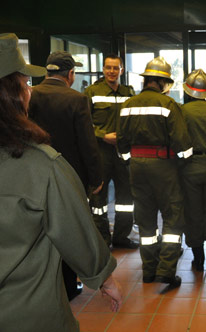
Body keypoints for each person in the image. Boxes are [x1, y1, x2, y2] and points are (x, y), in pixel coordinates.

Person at [0, 32, 122, 332]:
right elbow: (74, 230)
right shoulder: (39, 165)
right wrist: (104, 276)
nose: (30, 92)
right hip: (28, 315)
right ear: (12, 94)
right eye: (25, 84)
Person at [29, 50, 103, 301]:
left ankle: (47, 285)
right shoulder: (76, 100)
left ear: (47, 71)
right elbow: (87, 143)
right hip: (70, 177)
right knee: (68, 228)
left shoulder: (30, 95)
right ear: (70, 74)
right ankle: (69, 285)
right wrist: (96, 178)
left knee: (40, 229)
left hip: (34, 175)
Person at [117, 56, 191, 291]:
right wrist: (183, 162)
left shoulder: (128, 105)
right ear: (162, 82)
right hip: (163, 167)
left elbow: (121, 143)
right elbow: (183, 143)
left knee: (146, 220)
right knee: (173, 216)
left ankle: (148, 270)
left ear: (147, 80)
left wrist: (131, 162)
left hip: (137, 168)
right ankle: (166, 271)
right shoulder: (169, 105)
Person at [85, 54, 138, 249]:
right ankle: (102, 240)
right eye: (108, 68)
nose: (111, 72)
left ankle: (121, 237)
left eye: (116, 68)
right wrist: (102, 135)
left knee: (126, 199)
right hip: (101, 153)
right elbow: (84, 124)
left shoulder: (128, 92)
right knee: (98, 199)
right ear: (103, 69)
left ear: (121, 70)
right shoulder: (92, 92)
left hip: (123, 154)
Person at [179, 69, 206, 271]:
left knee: (193, 213)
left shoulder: (182, 112)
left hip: (190, 168)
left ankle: (198, 260)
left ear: (189, 91)